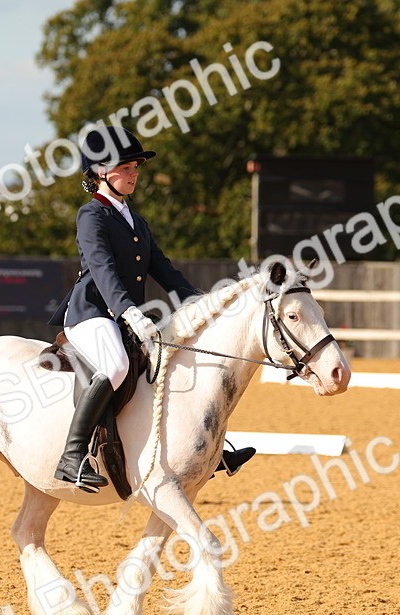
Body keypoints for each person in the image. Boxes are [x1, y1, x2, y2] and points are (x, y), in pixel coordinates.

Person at [48, 125, 254, 492]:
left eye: (135, 168)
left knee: (174, 360)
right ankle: (72, 455)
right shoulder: (91, 216)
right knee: (116, 365)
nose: (134, 174)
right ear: (100, 172)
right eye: (126, 168)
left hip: (127, 315)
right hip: (92, 313)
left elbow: (162, 267)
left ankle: (211, 447)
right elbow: (102, 269)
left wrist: (200, 300)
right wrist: (127, 311)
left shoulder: (135, 220)